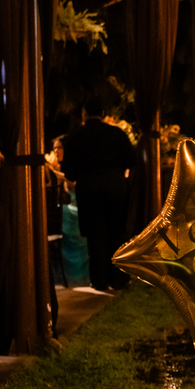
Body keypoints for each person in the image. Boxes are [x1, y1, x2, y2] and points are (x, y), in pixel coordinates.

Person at [59, 98, 135, 292]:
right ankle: (119, 278)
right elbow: (131, 159)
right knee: (117, 232)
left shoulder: (76, 136)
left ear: (84, 113)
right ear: (102, 113)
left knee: (95, 235)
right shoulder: (116, 134)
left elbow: (68, 171)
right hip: (115, 185)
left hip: (89, 187)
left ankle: (100, 280)